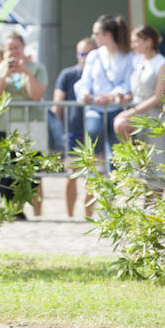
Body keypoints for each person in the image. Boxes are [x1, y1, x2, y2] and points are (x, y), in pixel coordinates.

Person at [0, 31, 48, 216]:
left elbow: (35, 95)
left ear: (23, 48)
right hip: (4, 125)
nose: (14, 51)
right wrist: (5, 74)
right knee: (5, 170)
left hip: (30, 125)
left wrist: (25, 72)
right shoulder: (0, 68)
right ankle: (10, 208)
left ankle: (19, 207)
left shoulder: (37, 67)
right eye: (10, 48)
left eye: (16, 47)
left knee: (29, 171)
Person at [74, 15, 133, 169]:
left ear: (107, 35)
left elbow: (127, 84)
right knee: (93, 131)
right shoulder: (94, 55)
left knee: (115, 150)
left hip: (117, 109)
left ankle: (112, 185)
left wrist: (110, 96)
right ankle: (97, 166)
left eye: (96, 33)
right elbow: (85, 80)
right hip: (95, 107)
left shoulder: (128, 57)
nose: (93, 37)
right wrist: (85, 92)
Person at [51, 37, 96, 217]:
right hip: (73, 132)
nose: (83, 57)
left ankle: (88, 217)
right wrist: (55, 135)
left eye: (88, 53)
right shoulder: (68, 74)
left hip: (95, 131)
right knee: (72, 174)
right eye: (80, 53)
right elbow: (57, 105)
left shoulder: (99, 76)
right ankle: (70, 217)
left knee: (93, 176)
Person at [114, 25, 165, 156]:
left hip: (154, 114)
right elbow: (136, 90)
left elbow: (158, 97)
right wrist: (126, 98)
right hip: (137, 110)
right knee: (119, 124)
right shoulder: (136, 60)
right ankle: (135, 158)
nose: (133, 45)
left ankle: (137, 158)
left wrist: (132, 111)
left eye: (136, 41)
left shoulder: (162, 63)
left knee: (156, 160)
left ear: (148, 42)